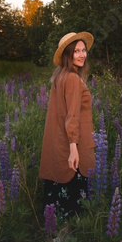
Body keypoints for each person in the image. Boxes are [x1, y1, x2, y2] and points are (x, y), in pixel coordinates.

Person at [39, 32, 96, 218]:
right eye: (76, 51)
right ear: (68, 54)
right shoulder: (72, 78)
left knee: (58, 194)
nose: (82, 55)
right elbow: (72, 115)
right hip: (76, 142)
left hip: (60, 141)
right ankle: (67, 237)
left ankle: (54, 235)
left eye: (83, 50)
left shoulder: (61, 75)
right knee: (74, 201)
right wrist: (73, 147)